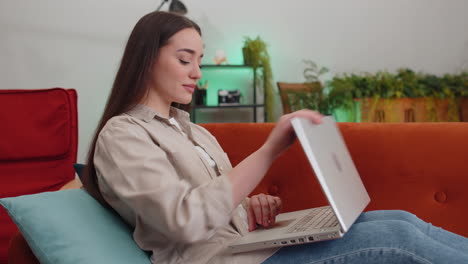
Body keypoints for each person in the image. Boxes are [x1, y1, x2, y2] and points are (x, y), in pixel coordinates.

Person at [81, 11, 468, 264]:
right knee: (397, 238)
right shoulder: (123, 135)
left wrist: (249, 207)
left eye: (199, 60)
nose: (197, 72)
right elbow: (184, 221)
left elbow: (216, 206)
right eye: (185, 59)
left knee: (397, 218)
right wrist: (269, 151)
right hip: (222, 261)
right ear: (147, 58)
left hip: (249, 248)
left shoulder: (193, 131)